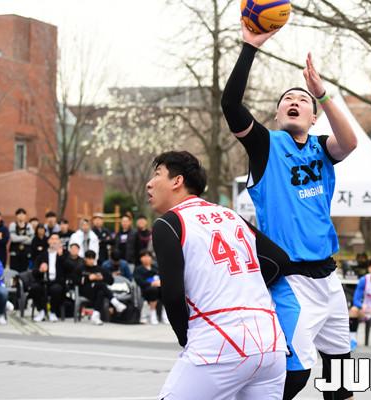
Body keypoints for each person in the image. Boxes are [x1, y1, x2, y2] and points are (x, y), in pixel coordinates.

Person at [221, 21, 358, 400]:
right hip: (292, 281)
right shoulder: (266, 146)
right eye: (287, 100)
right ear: (278, 115)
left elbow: (350, 142)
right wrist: (250, 46)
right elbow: (231, 105)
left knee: (340, 379)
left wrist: (322, 93)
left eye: (303, 100)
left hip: (328, 278)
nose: (294, 101)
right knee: (293, 376)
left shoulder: (322, 148)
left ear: (314, 117)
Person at [147, 151, 289, 399]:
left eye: (157, 174)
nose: (149, 183)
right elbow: (279, 260)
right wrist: (242, 283)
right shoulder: (231, 215)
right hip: (270, 343)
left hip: (219, 341)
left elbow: (172, 294)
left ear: (177, 181)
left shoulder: (169, 222)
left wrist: (186, 339)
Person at [74, 250, 126, 325]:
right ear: (85, 259)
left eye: (93, 259)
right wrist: (88, 278)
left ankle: (95, 315)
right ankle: (115, 302)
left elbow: (111, 281)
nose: (91, 261)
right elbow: (75, 281)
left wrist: (103, 278)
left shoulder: (99, 269)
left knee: (101, 292)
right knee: (101, 285)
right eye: (89, 259)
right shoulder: (80, 268)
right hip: (85, 290)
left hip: (97, 291)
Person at [28, 233, 69, 322]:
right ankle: (41, 311)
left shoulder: (64, 254)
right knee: (35, 288)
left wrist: (61, 256)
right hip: (43, 280)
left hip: (57, 281)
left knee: (56, 289)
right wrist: (40, 270)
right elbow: (34, 271)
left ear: (59, 242)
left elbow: (69, 268)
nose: (54, 241)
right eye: (52, 239)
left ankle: (52, 311)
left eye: (56, 239)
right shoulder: (42, 255)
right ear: (48, 241)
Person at [133, 250, 161, 325]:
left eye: (148, 256)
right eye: (144, 256)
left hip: (158, 287)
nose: (146, 258)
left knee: (165, 290)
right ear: (141, 258)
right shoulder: (138, 269)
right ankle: (153, 312)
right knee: (153, 290)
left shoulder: (156, 268)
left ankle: (165, 313)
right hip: (145, 288)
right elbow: (139, 280)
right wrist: (151, 283)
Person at [8, 208, 34, 272]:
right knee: (14, 271)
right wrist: (26, 237)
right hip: (15, 252)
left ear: (25, 216)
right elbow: (13, 239)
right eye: (19, 214)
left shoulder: (29, 225)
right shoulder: (13, 225)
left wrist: (19, 238)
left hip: (26, 252)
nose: (21, 216)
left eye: (23, 214)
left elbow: (31, 240)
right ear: (16, 216)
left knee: (25, 271)